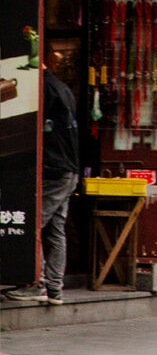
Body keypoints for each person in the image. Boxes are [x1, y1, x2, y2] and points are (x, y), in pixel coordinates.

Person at [39, 39, 79, 305]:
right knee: (55, 229)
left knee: (32, 224)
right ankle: (54, 288)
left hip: (55, 169)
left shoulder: (44, 89)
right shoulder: (63, 88)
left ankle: (36, 283)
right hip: (69, 169)